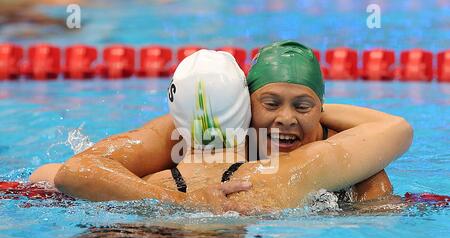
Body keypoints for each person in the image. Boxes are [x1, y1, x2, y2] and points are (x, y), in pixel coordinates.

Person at [29, 42, 411, 213]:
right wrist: (182, 204)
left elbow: (53, 176)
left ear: (322, 109)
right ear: (245, 107)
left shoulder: (357, 172)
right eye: (271, 103)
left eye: (304, 106)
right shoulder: (177, 136)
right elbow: (69, 173)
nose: (287, 119)